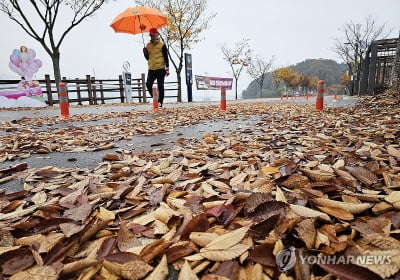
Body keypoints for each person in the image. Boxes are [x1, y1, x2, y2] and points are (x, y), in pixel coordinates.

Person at [143, 28, 169, 107]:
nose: (152, 37)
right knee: (148, 84)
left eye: (154, 35)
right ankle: (155, 98)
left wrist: (167, 68)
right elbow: (148, 58)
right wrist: (145, 53)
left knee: (160, 85)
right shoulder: (148, 45)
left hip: (161, 68)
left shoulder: (162, 45)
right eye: (151, 35)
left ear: (157, 35)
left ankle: (160, 102)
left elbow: (166, 57)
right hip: (151, 68)